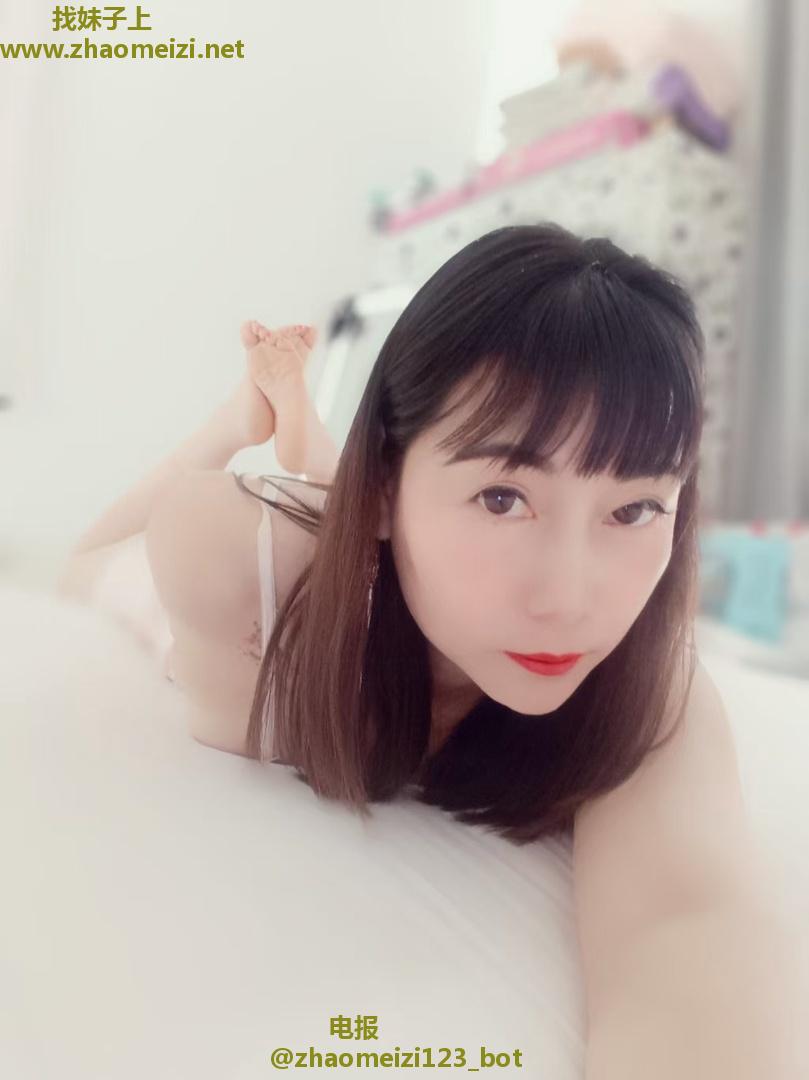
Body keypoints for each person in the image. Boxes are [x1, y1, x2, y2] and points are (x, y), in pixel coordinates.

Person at [60, 222, 706, 846]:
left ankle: (311, 440)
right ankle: (235, 422)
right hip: (240, 572)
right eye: (502, 499)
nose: (566, 603)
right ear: (379, 485)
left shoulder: (649, 678)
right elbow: (187, 518)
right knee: (79, 569)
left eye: (633, 510)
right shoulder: (240, 559)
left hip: (376, 514)